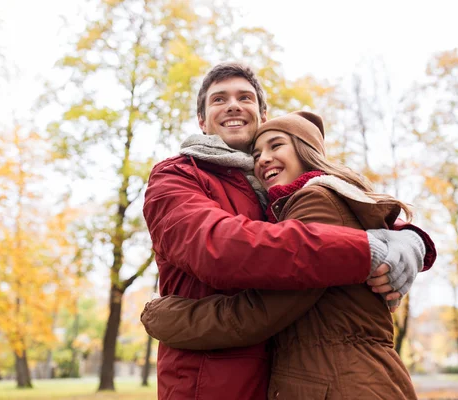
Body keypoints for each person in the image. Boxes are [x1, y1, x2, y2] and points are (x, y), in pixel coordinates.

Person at [143, 62, 436, 400]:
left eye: (245, 97)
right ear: (201, 120)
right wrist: (369, 248)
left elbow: (333, 211)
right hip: (209, 383)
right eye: (219, 99)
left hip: (296, 378)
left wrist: (408, 238)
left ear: (262, 116)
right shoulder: (179, 175)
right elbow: (218, 246)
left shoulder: (282, 191)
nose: (234, 105)